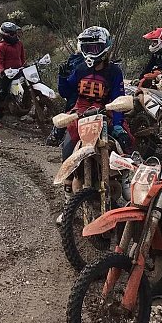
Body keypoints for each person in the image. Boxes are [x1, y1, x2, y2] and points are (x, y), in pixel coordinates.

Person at [56, 27, 131, 203]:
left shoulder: (114, 71)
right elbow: (66, 92)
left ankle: (125, 177)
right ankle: (68, 194)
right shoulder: (80, 68)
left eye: (95, 48)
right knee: (68, 147)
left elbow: (118, 97)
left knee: (125, 140)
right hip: (80, 111)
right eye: (87, 48)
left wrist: (118, 124)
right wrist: (63, 78)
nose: (91, 52)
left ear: (105, 48)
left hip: (105, 110)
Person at [0, 21, 25, 127]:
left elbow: (22, 57)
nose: (15, 35)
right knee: (1, 94)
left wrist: (24, 66)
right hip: (7, 74)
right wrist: (2, 71)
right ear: (6, 35)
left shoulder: (19, 44)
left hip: (18, 71)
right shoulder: (2, 46)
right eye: (13, 33)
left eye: (15, 33)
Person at [46, 49, 84, 146]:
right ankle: (57, 137)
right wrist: (62, 78)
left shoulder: (107, 68)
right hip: (77, 100)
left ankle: (57, 137)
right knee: (70, 112)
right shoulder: (75, 62)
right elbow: (64, 92)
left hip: (93, 103)